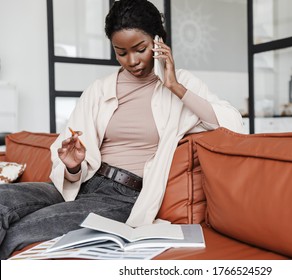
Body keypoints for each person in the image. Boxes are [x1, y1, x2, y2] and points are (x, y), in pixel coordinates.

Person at [0, 0, 243, 259]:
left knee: (21, 232)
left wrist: (173, 85)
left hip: (121, 197)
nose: (133, 61)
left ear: (158, 41)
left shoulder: (181, 84)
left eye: (140, 49)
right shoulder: (99, 89)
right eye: (121, 52)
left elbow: (232, 125)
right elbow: (70, 171)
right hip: (79, 183)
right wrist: (73, 167)